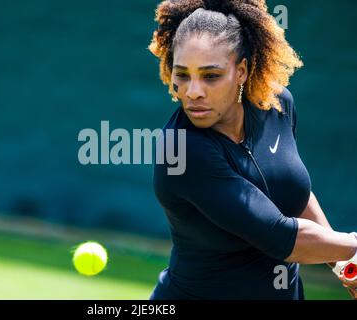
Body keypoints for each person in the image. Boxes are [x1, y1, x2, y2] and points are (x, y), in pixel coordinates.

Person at [147, 0, 357, 300]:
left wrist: (346, 264)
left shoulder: (277, 105)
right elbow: (280, 236)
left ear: (242, 70)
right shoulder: (181, 151)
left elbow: (292, 192)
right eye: (182, 74)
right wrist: (353, 245)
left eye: (210, 76)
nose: (193, 91)